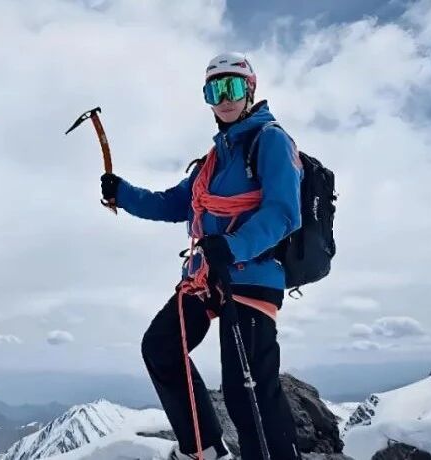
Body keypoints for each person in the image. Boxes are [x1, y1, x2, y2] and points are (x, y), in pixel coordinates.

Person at [100, 52, 303, 460]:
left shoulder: (271, 141)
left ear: (250, 89)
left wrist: (234, 246)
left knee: (247, 388)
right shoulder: (213, 161)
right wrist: (121, 192)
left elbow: (284, 212)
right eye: (214, 90)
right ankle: (206, 449)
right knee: (161, 346)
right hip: (208, 275)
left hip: (253, 275)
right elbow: (175, 203)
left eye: (232, 87)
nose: (224, 98)